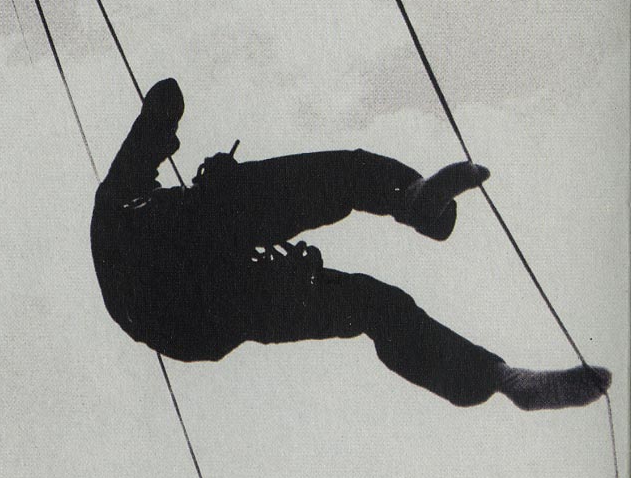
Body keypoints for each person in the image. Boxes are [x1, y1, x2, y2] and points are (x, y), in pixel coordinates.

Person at [91, 77, 612, 410]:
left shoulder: (139, 209)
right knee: (328, 180)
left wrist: (279, 280)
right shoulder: (122, 202)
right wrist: (187, 148)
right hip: (183, 292)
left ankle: (501, 378)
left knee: (370, 303)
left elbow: (164, 109)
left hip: (198, 317)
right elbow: (165, 100)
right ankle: (411, 202)